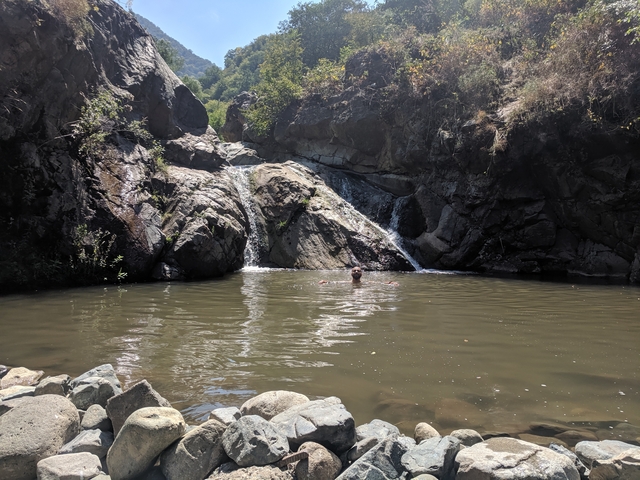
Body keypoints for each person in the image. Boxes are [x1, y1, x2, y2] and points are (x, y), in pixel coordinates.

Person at [319, 266, 398, 285]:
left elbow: (380, 283)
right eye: (354, 271)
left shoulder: (367, 283)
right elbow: (335, 282)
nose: (356, 272)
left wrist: (391, 283)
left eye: (358, 271)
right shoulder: (346, 283)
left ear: (361, 273)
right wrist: (324, 282)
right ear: (351, 273)